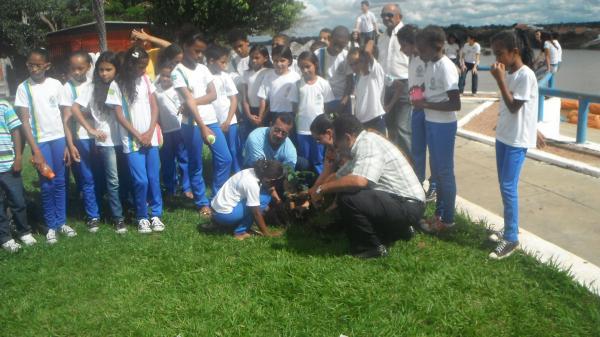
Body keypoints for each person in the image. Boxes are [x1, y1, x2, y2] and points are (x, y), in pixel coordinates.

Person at [309, 114, 425, 258]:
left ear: (347, 138)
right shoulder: (361, 144)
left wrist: (323, 189)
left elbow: (359, 181)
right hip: (401, 201)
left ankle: (371, 247)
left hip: (408, 204)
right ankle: (400, 230)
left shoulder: (368, 144)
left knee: (348, 197)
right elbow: (338, 176)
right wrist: (313, 191)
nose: (337, 148)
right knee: (345, 189)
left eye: (337, 144)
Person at [15, 48, 75, 244]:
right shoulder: (23, 88)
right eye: (30, 64)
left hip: (59, 139)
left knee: (60, 182)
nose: (33, 68)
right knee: (47, 184)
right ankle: (50, 225)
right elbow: (24, 122)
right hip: (40, 142)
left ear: (47, 66)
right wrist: (36, 151)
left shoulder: (56, 85)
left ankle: (61, 222)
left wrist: (67, 143)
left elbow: (65, 116)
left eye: (38, 65)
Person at [488, 29, 538, 259]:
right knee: (503, 185)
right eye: (494, 53)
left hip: (516, 141)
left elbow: (514, 106)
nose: (497, 59)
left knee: (509, 187)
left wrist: (499, 81)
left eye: (500, 53)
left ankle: (511, 238)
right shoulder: (509, 73)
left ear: (514, 52)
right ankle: (510, 226)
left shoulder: (525, 75)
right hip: (505, 137)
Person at [171, 31, 232, 218]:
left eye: (202, 52)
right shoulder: (177, 72)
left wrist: (190, 103)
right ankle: (201, 202)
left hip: (211, 120)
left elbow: (213, 95)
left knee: (225, 158)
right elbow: (192, 98)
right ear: (185, 46)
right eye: (196, 51)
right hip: (193, 125)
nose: (199, 55)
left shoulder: (203, 69)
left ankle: (217, 197)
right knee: (195, 163)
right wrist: (201, 125)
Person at [106, 46, 165, 234]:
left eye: (145, 66)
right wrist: (138, 135)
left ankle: (155, 214)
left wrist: (149, 132)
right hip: (132, 141)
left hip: (151, 138)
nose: (143, 70)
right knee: (141, 181)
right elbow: (119, 115)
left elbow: (155, 107)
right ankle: (142, 216)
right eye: (140, 67)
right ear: (130, 65)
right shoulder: (117, 85)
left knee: (154, 178)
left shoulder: (147, 80)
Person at [70, 51, 128, 233]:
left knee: (126, 177)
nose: (104, 73)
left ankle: (129, 209)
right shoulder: (91, 87)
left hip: (126, 138)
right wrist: (91, 129)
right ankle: (118, 218)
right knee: (113, 180)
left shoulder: (122, 85)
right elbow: (75, 108)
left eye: (108, 69)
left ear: (116, 70)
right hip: (107, 141)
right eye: (101, 70)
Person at [413, 26, 461, 233]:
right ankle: (439, 214)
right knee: (437, 173)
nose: (419, 54)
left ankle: (447, 219)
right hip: (431, 122)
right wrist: (418, 92)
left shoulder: (446, 67)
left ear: (438, 46)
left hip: (444, 125)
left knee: (444, 172)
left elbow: (455, 104)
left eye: (422, 50)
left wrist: (425, 105)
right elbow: (430, 88)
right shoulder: (431, 63)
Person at [60, 51, 102, 233]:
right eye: (73, 68)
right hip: (81, 138)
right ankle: (93, 215)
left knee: (103, 175)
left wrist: (85, 113)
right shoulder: (67, 88)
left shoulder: (96, 83)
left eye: (81, 68)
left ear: (88, 67)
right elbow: (67, 119)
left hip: (102, 137)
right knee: (87, 178)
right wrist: (70, 144)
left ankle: (106, 208)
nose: (76, 72)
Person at [398, 25, 436, 201]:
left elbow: (430, 83)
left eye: (402, 45)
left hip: (429, 111)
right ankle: (417, 184)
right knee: (418, 150)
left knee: (433, 151)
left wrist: (417, 93)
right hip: (416, 110)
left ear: (411, 43)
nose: (401, 49)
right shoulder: (412, 59)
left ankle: (434, 185)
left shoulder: (425, 59)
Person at [210, 159, 284, 240]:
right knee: (264, 198)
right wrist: (267, 233)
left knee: (260, 196)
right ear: (269, 178)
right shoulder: (252, 184)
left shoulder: (249, 171)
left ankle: (221, 223)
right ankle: (240, 232)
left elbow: (267, 187)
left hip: (215, 211)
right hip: (224, 216)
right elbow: (256, 212)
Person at [154, 49, 192, 199]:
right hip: (165, 131)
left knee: (183, 158)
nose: (165, 79)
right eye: (163, 75)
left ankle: (187, 187)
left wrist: (185, 107)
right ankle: (170, 187)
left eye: (168, 76)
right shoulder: (156, 90)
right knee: (167, 160)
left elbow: (189, 101)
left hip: (180, 128)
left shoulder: (179, 90)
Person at [0, 99, 36, 252]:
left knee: (18, 200)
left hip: (9, 164)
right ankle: (5, 237)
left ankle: (24, 232)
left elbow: (15, 130)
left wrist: (19, 158)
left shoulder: (4, 105)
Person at [290, 51, 334, 174]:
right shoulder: (297, 85)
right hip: (302, 129)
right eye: (301, 67)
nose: (305, 70)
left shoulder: (323, 84)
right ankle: (307, 183)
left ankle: (321, 182)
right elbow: (294, 107)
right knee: (304, 158)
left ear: (315, 65)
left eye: (308, 66)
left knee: (319, 158)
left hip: (319, 130)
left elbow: (328, 106)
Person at [377, 3, 412, 158]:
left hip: (405, 85)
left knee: (403, 128)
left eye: (389, 15)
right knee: (390, 127)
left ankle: (413, 166)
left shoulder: (407, 35)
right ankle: (396, 163)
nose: (386, 18)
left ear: (399, 17)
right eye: (383, 15)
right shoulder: (382, 37)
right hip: (387, 86)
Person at [206, 45, 242, 173]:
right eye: (222, 62)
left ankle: (237, 173)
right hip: (212, 122)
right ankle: (220, 175)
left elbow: (234, 100)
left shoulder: (225, 77)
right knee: (218, 151)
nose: (225, 65)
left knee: (233, 148)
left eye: (226, 61)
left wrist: (228, 120)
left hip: (229, 121)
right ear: (211, 61)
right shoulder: (203, 76)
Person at [314, 26, 354, 115]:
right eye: (335, 44)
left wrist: (344, 102)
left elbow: (350, 82)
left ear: (347, 43)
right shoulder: (317, 54)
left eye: (341, 46)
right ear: (329, 39)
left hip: (341, 101)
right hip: (323, 101)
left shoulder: (347, 57)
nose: (337, 48)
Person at [257, 46, 301, 126]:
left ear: (289, 61)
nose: (278, 64)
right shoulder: (268, 76)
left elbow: (299, 99)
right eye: (275, 61)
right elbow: (262, 97)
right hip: (274, 114)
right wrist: (260, 117)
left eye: (282, 60)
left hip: (290, 114)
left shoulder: (296, 77)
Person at [347, 45, 386, 134]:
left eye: (357, 62)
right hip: (362, 122)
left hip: (375, 120)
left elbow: (368, 50)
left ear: (366, 60)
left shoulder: (375, 73)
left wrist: (371, 36)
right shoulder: (358, 78)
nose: (354, 67)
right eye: (351, 64)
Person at [240, 45, 272, 144]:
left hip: (266, 110)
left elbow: (270, 98)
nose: (254, 60)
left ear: (265, 58)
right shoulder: (246, 73)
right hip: (250, 110)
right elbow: (244, 97)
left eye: (257, 58)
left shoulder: (270, 72)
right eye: (252, 57)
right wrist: (249, 115)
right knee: (249, 138)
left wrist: (261, 117)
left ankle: (265, 159)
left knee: (264, 138)